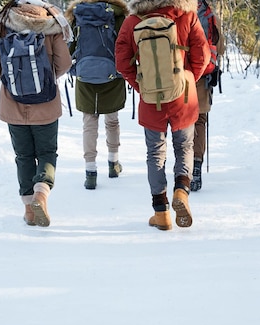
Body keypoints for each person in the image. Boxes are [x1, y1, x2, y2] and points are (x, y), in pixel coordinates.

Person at [115, 0, 210, 230]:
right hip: (183, 98)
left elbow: (121, 62)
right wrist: (187, 80)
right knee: (185, 147)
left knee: (155, 152)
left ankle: (161, 213)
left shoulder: (132, 21)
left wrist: (143, 86)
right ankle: (181, 192)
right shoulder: (186, 15)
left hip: (151, 98)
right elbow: (203, 55)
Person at [0, 0, 73, 227]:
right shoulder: (50, 23)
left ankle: (29, 211)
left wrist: (10, 81)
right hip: (46, 103)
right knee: (46, 152)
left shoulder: (3, 21)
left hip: (12, 103)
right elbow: (64, 63)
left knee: (23, 156)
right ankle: (41, 194)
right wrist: (47, 78)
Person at [65, 0, 129, 190]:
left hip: (85, 77)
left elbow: (70, 48)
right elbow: (125, 47)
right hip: (113, 75)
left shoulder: (78, 15)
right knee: (112, 120)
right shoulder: (119, 15)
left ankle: (90, 171)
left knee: (89, 122)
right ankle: (113, 163)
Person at [191, 0, 225, 192]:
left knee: (183, 121)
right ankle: (196, 165)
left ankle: (184, 168)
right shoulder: (210, 15)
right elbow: (220, 47)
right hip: (204, 74)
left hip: (184, 74)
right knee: (200, 120)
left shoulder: (178, 12)